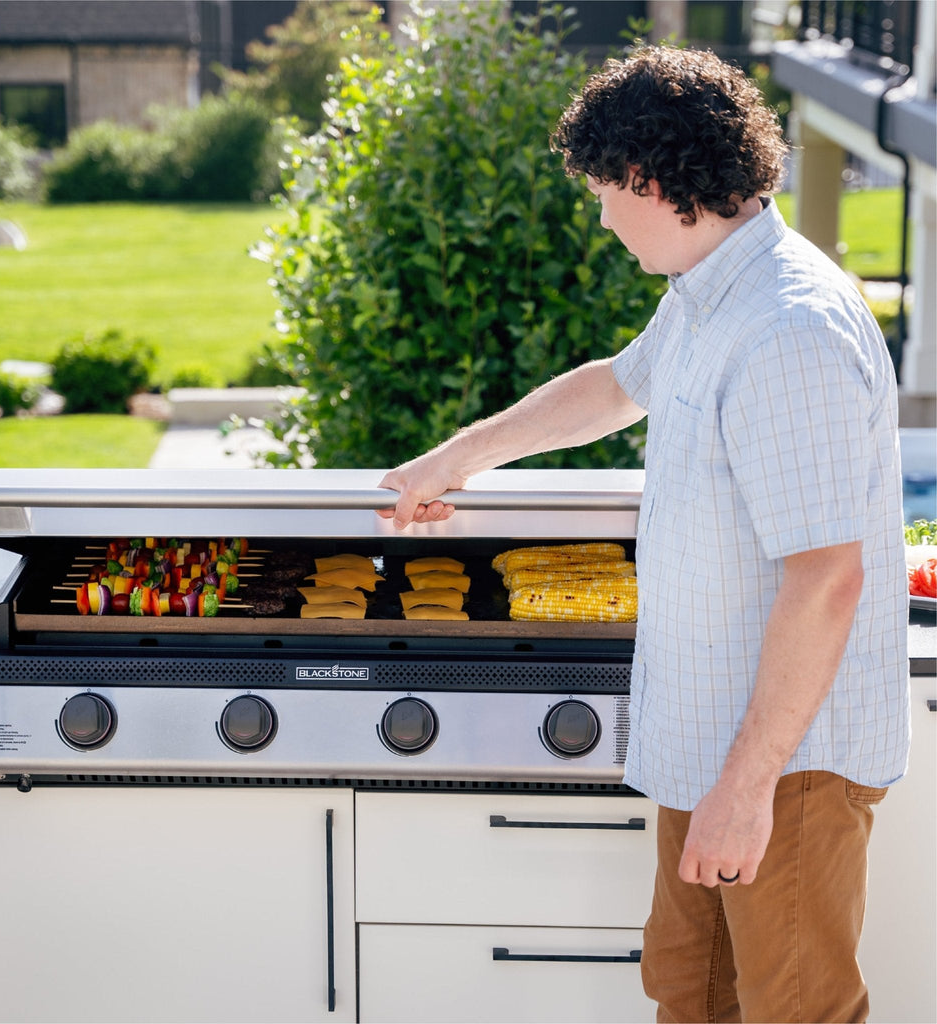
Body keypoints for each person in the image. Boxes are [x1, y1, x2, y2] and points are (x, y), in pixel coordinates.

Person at [378, 45, 909, 1023]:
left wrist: (745, 791)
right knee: (687, 996)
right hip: (710, 748)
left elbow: (828, 578)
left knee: (793, 1011)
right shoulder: (713, 293)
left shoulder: (788, 330)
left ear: (651, 183)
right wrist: (454, 459)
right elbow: (616, 385)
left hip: (782, 771)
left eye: (600, 195)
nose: (599, 218)